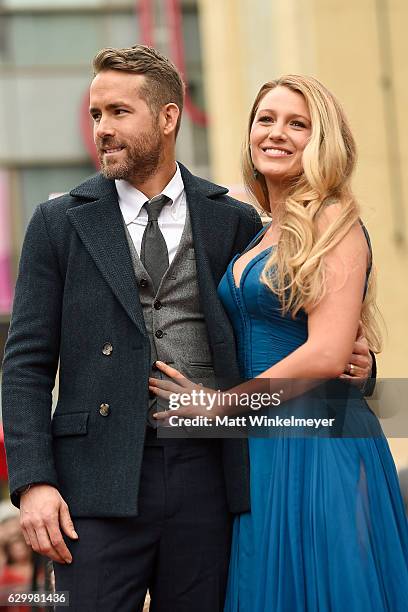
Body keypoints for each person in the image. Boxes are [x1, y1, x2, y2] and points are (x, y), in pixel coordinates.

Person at [1, 48, 373, 612]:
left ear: (169, 116)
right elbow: (25, 362)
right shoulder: (59, 220)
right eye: (97, 114)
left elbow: (295, 316)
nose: (102, 129)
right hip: (95, 482)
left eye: (119, 113)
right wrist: (34, 483)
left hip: (212, 474)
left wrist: (357, 362)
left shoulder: (235, 218)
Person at [150, 76, 408, 610]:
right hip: (261, 444)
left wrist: (219, 407)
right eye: (265, 119)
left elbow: (328, 353)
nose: (276, 133)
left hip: (318, 441)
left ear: (323, 141)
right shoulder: (257, 229)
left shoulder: (334, 218)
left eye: (298, 124)